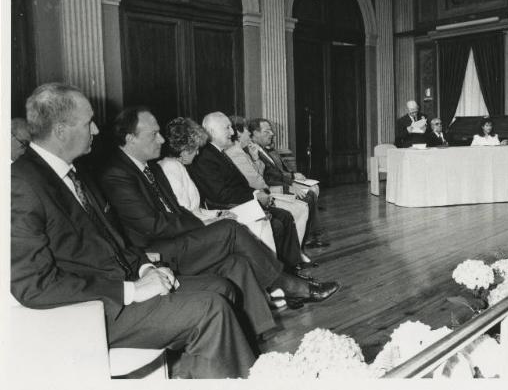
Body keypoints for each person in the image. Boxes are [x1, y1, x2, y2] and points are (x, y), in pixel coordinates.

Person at [11, 83, 256, 378]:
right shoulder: (21, 184)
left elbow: (115, 241)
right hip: (89, 311)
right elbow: (33, 286)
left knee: (223, 287)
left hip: (123, 285)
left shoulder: (77, 172)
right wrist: (130, 290)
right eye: (89, 122)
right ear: (61, 130)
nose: (97, 131)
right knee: (210, 308)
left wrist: (144, 269)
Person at [100, 107, 339, 322]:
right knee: (231, 230)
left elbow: (176, 210)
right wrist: (205, 224)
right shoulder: (117, 173)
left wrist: (208, 219)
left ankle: (256, 330)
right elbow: (153, 225)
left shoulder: (149, 168)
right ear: (130, 138)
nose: (161, 139)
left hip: (175, 238)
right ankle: (289, 285)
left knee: (236, 262)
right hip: (154, 251)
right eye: (154, 134)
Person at [188, 112, 318, 270]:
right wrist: (255, 195)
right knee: (279, 220)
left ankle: (290, 267)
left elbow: (242, 183)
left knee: (284, 216)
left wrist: (256, 194)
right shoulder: (207, 157)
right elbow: (221, 194)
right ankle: (280, 272)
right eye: (227, 128)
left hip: (242, 200)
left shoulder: (218, 152)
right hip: (229, 207)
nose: (232, 132)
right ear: (212, 132)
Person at [158, 117, 277, 252]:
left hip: (202, 221)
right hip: (192, 233)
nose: (197, 153)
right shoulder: (170, 168)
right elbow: (183, 216)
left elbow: (196, 210)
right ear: (185, 149)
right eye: (195, 149)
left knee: (260, 218)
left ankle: (267, 270)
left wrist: (218, 213)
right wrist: (217, 219)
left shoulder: (180, 166)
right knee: (257, 223)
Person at [226, 115, 310, 246]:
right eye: (247, 130)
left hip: (264, 191)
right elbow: (259, 182)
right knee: (298, 208)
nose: (249, 133)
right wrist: (284, 187)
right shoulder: (237, 152)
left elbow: (261, 175)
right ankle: (294, 253)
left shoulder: (248, 150)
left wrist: (255, 160)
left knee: (301, 204)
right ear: (239, 132)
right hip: (257, 196)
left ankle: (297, 250)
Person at [247, 118, 329, 248]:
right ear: (254, 133)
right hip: (271, 190)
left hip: (281, 185)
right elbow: (266, 179)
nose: (272, 134)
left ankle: (313, 236)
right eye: (266, 131)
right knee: (308, 196)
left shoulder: (264, 150)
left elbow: (278, 173)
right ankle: (306, 239)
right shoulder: (251, 152)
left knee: (310, 192)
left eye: (271, 131)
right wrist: (289, 187)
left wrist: (292, 183)